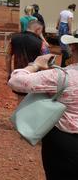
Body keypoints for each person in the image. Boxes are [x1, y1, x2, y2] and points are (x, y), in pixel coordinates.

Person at [8, 35, 78, 180]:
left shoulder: (63, 76)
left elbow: (16, 81)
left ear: (73, 48)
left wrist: (35, 64)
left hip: (64, 143)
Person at [5, 20, 45, 102]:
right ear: (38, 29)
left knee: (20, 101)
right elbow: (46, 60)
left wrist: (9, 73)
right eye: (41, 31)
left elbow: (8, 57)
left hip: (19, 76)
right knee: (33, 102)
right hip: (34, 77)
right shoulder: (40, 43)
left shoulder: (14, 39)